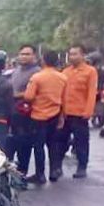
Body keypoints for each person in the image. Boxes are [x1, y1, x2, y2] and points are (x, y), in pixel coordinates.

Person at [23, 50, 67, 184]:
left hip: (38, 116)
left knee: (39, 146)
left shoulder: (37, 77)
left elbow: (28, 97)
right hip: (55, 114)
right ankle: (54, 171)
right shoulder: (63, 78)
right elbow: (64, 99)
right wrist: (62, 116)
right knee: (53, 144)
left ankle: (40, 174)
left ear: (43, 61)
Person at [58, 44, 98, 179]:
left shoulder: (90, 71)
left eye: (75, 54)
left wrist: (88, 112)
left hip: (80, 114)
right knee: (60, 141)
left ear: (82, 55)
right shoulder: (65, 72)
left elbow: (92, 93)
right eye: (70, 54)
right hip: (65, 113)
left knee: (81, 142)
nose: (72, 57)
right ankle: (57, 167)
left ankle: (82, 167)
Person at [10, 44, 42, 171]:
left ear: (34, 56)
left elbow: (38, 91)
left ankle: (23, 170)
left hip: (27, 112)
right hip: (14, 111)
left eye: (27, 54)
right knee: (13, 141)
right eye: (22, 54)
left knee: (25, 143)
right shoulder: (16, 70)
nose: (24, 57)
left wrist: (18, 94)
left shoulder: (37, 72)